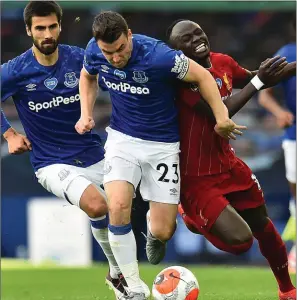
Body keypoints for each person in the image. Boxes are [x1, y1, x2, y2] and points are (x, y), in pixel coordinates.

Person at [75, 11, 245, 299]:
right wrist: (85, 114)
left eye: (120, 50)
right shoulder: (94, 51)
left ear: (129, 35)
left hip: (162, 146)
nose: (115, 58)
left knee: (164, 230)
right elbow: (87, 76)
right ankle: (131, 286)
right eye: (108, 53)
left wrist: (221, 117)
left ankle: (155, 234)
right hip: (122, 140)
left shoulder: (160, 56)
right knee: (117, 206)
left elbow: (202, 75)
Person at [1, 2, 137, 299]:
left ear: (60, 26)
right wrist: (8, 133)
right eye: (40, 28)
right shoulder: (16, 70)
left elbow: (120, 69)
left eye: (52, 26)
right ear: (29, 30)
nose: (47, 34)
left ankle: (118, 273)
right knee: (98, 205)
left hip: (94, 154)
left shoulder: (82, 58)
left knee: (129, 205)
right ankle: (120, 274)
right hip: (51, 162)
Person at [167, 19, 296, 300]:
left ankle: (287, 290)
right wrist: (259, 79)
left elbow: (254, 78)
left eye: (198, 33)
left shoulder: (222, 62)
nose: (197, 39)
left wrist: (279, 72)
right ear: (177, 51)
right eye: (187, 39)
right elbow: (220, 111)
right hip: (197, 177)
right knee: (241, 242)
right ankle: (190, 215)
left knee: (264, 226)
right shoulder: (181, 79)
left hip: (229, 165)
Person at [258, 18, 296, 275]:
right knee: (296, 192)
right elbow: (264, 92)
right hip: (294, 134)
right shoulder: (288, 54)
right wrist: (279, 111)